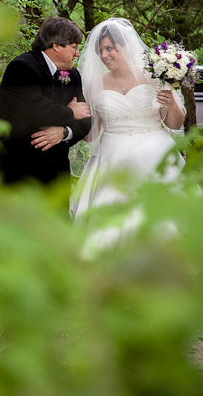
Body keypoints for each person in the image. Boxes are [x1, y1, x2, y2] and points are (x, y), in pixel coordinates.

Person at [69, 18, 187, 251]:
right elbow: (91, 137)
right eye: (101, 50)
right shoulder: (94, 84)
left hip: (155, 152)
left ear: (125, 47)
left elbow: (174, 124)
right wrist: (78, 117)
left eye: (109, 48)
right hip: (112, 156)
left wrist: (171, 102)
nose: (104, 55)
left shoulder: (155, 76)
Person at [0, 17, 93, 185]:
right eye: (74, 47)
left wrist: (64, 132)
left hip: (57, 173)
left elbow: (85, 120)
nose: (77, 53)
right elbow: (38, 112)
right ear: (56, 45)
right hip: (19, 170)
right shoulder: (22, 68)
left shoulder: (73, 75)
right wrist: (72, 112)